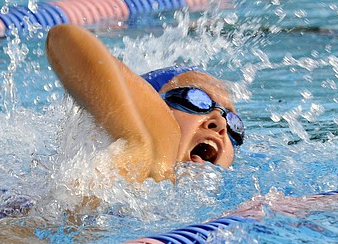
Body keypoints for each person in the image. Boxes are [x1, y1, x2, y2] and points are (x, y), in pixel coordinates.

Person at [45, 24, 244, 184]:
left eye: (233, 122)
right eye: (196, 100)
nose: (220, 122)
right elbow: (64, 38)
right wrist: (137, 143)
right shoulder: (162, 148)